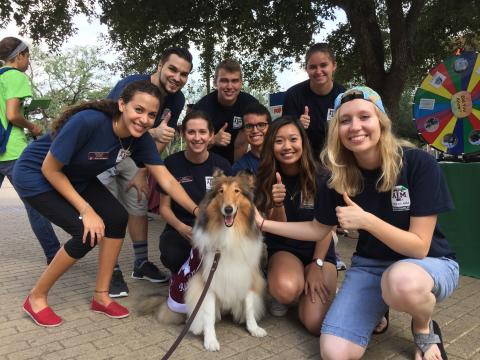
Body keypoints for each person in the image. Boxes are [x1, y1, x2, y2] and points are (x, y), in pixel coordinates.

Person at [257, 87, 459, 360]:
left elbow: (419, 247)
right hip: (371, 266)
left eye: (364, 117)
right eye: (345, 120)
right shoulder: (336, 176)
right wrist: (263, 224)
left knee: (400, 282)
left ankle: (423, 327)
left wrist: (367, 221)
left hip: (427, 263)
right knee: (334, 352)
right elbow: (318, 229)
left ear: (381, 122)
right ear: (336, 130)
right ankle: (379, 304)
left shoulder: (417, 163)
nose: (355, 127)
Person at [13, 80, 199, 327]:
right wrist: (86, 209)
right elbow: (50, 169)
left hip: (76, 176)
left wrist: (199, 211)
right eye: (139, 110)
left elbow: (167, 181)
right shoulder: (88, 122)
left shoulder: (139, 139)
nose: (144, 120)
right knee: (85, 232)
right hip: (36, 175)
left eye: (151, 115)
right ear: (122, 104)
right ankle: (36, 297)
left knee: (116, 218)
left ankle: (101, 296)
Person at [97, 47, 193, 298]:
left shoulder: (178, 99)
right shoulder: (132, 84)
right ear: (160, 65)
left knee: (137, 205)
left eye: (184, 74)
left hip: (133, 155)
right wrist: (151, 132)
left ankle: (140, 263)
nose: (177, 77)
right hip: (106, 151)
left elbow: (163, 135)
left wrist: (143, 170)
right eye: (172, 69)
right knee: (109, 212)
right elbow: (114, 123)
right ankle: (112, 270)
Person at [255, 116, 337, 335]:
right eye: (279, 141)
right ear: (271, 145)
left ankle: (314, 292)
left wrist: (317, 266)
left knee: (315, 324)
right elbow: (275, 228)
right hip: (284, 248)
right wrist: (277, 203)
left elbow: (327, 228)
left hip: (319, 250)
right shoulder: (264, 177)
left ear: (303, 142)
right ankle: (287, 285)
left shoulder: (323, 177)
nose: (287, 146)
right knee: (285, 290)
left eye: (293, 139)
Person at [0, 36, 61, 264]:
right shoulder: (16, 76)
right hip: (13, 152)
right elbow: (13, 115)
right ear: (19, 56)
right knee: (36, 204)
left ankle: (54, 252)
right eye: (28, 57)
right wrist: (32, 125)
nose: (28, 62)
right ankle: (54, 254)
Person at [158, 110, 232, 275]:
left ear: (211, 135)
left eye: (202, 132)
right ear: (183, 134)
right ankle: (181, 277)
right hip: (181, 229)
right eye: (191, 132)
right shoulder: (171, 163)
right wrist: (181, 227)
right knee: (172, 253)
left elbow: (231, 205)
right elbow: (164, 208)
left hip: (215, 228)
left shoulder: (222, 165)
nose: (197, 138)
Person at [282, 43, 345, 159]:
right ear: (306, 69)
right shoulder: (293, 95)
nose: (318, 71)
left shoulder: (343, 96)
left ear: (334, 66)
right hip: (305, 160)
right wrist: (298, 126)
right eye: (313, 67)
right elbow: (284, 135)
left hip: (337, 159)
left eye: (323, 65)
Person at [193, 59, 259, 164]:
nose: (229, 86)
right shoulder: (202, 109)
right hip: (206, 162)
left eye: (234, 81)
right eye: (224, 81)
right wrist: (213, 140)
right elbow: (191, 146)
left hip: (238, 162)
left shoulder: (251, 105)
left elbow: (263, 135)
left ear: (241, 83)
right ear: (215, 82)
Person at [231, 102, 271, 175]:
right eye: (249, 126)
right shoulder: (239, 168)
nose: (255, 130)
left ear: (270, 127)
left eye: (261, 125)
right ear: (243, 131)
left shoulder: (282, 158)